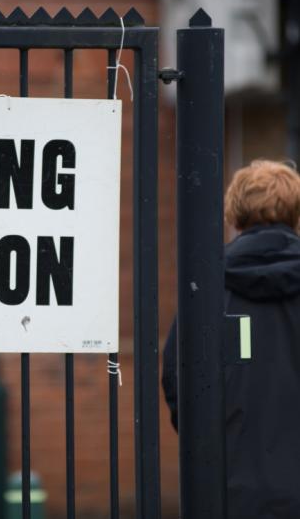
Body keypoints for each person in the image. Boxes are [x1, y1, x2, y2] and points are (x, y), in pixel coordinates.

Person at [162, 159, 300, 519]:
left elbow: (179, 382)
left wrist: (216, 446)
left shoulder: (206, 288)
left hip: (230, 490)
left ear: (234, 215)